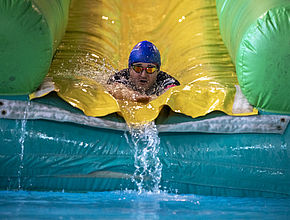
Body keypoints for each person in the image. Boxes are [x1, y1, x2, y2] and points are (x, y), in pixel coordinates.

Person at [106, 41, 180, 103]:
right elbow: (113, 88)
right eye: (138, 68)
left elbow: (174, 91)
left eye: (150, 69)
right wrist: (132, 95)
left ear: (157, 71)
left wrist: (152, 98)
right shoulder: (121, 76)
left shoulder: (165, 80)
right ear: (130, 69)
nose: (143, 74)